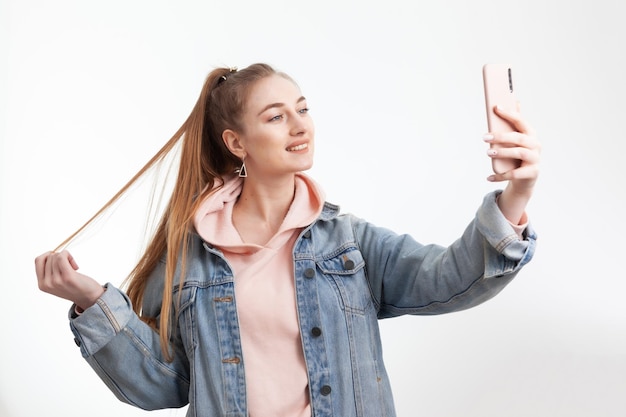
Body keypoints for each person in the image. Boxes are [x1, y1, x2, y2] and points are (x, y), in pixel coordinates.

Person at [35, 63, 540, 417]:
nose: (300, 126)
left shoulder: (349, 244)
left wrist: (517, 194)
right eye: (276, 116)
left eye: (302, 109)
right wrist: (92, 302)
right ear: (236, 143)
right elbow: (162, 386)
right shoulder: (187, 259)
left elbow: (449, 279)